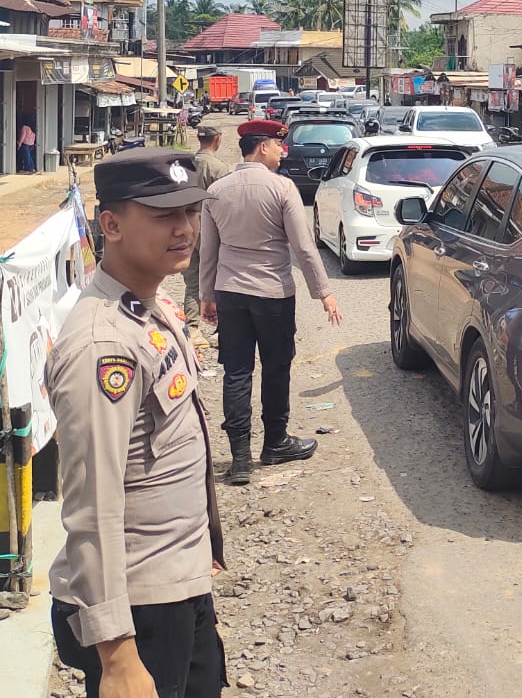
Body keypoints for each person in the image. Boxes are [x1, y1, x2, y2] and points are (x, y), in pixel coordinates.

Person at [47, 147, 227, 698]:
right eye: (164, 215)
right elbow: (92, 504)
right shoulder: (102, 345)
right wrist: (117, 654)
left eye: (191, 212)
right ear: (112, 225)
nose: (185, 229)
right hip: (140, 607)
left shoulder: (149, 304)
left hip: (176, 580)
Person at [199, 119, 343, 486]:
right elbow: (304, 247)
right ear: (262, 147)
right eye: (279, 145)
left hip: (230, 293)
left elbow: (208, 251)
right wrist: (324, 292)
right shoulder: (282, 188)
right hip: (273, 294)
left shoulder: (216, 191)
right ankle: (275, 443)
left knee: (236, 371)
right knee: (276, 368)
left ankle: (240, 458)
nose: (283, 151)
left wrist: (206, 296)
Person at [181, 125, 232, 343]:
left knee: (193, 279)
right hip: (212, 229)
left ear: (198, 138)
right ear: (218, 139)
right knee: (218, 279)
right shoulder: (219, 168)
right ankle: (222, 330)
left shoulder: (184, 167)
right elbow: (226, 203)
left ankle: (192, 328)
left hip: (187, 228)